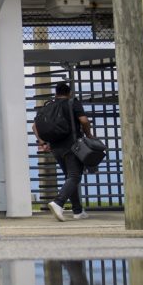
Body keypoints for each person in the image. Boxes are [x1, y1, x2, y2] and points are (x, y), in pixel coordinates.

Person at [36, 81, 94, 221]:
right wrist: (89, 135)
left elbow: (34, 126)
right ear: (69, 93)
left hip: (55, 148)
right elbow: (84, 121)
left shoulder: (48, 106)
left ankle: (78, 211)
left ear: (56, 93)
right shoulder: (72, 103)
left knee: (70, 177)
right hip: (73, 146)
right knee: (75, 176)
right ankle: (58, 202)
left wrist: (42, 142)